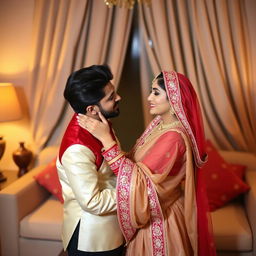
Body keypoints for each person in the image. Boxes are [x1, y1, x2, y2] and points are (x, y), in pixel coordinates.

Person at [77, 70, 217, 256]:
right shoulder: (160, 124)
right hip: (154, 214)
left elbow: (141, 185)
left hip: (161, 217)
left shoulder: (174, 138)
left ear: (175, 99)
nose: (149, 97)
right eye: (151, 91)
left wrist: (106, 140)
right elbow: (136, 163)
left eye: (156, 93)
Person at [56, 65, 124, 256]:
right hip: (93, 240)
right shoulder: (77, 148)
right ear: (91, 109)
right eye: (111, 97)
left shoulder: (99, 124)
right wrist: (134, 193)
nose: (118, 97)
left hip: (112, 230)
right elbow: (92, 202)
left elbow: (111, 167)